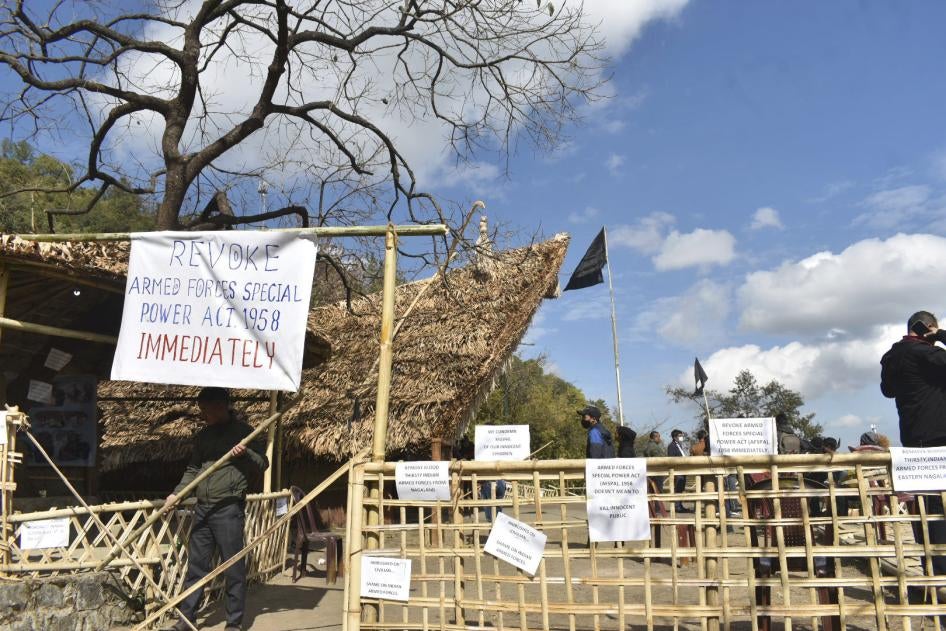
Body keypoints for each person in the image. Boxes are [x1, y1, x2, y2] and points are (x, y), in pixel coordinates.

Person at [164, 387, 269, 631]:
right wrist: (177, 493)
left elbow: (263, 464)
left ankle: (233, 624)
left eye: (206, 411)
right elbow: (193, 469)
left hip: (228, 508)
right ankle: (187, 621)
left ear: (221, 407)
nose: (203, 416)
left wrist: (244, 454)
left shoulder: (244, 433)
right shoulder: (204, 436)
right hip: (203, 508)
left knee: (233, 568)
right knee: (196, 567)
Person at [881, 310, 946, 603]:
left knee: (923, 516)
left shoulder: (892, 357)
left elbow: (887, 390)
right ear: (926, 328)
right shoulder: (928, 355)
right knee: (941, 514)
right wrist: (941, 337)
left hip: (912, 443)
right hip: (940, 442)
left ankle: (931, 576)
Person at [667, 429, 691, 512]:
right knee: (677, 488)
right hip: (677, 471)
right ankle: (677, 507)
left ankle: (680, 505)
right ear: (675, 437)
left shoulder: (680, 445)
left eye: (682, 435)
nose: (682, 437)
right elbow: (671, 459)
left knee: (681, 488)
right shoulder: (671, 446)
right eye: (680, 436)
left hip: (683, 470)